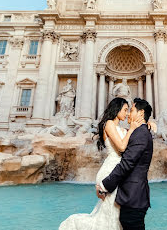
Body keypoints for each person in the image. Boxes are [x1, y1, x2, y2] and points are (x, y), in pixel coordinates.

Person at [59, 98, 155, 230]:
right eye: (126, 110)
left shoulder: (127, 129)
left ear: (140, 113)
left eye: (130, 110)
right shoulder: (110, 124)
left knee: (113, 216)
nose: (127, 113)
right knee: (112, 216)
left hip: (118, 174)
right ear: (117, 109)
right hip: (111, 171)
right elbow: (122, 147)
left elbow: (133, 142)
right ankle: (72, 224)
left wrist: (147, 123)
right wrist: (133, 128)